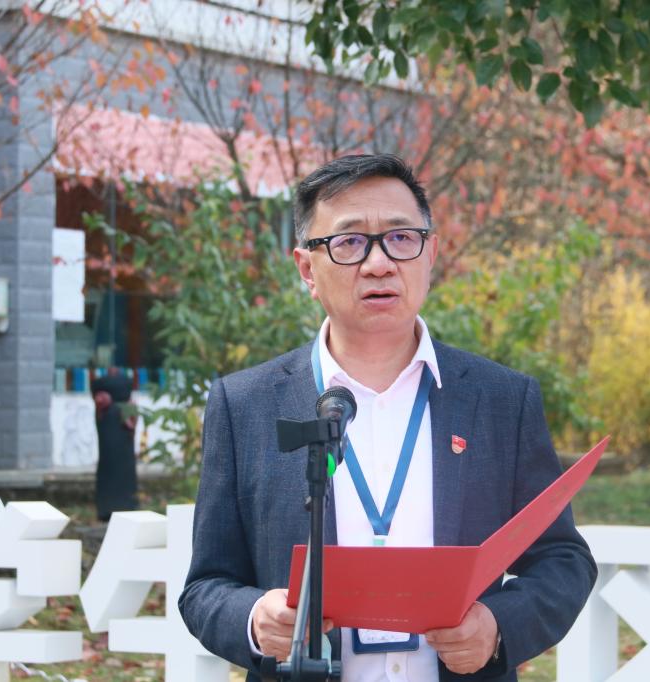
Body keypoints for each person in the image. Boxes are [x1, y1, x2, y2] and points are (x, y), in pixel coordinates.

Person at [179, 154, 597, 681]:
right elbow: (206, 587)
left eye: (401, 238)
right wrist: (254, 620)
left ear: (430, 254)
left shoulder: (500, 401)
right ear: (307, 269)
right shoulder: (246, 405)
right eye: (349, 242)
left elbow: (562, 560)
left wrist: (497, 627)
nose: (379, 263)